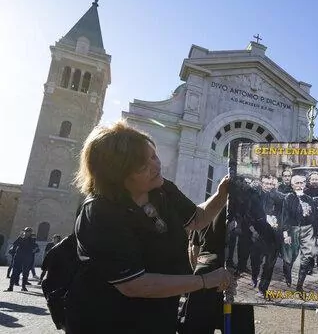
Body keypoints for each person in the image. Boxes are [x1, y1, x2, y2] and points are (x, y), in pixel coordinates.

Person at [64, 120, 232, 333]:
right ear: (117, 174)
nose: (156, 165)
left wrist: (221, 195)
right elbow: (135, 285)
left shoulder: (162, 189)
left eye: (154, 155)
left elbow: (198, 219)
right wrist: (204, 280)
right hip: (107, 320)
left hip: (158, 317)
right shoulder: (100, 212)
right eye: (143, 165)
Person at [4, 227, 39, 292]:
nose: (26, 233)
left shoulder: (32, 240)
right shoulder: (20, 238)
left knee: (25, 273)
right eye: (26, 231)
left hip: (26, 259)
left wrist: (34, 251)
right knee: (14, 273)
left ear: (30, 233)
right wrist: (13, 254)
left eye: (28, 232)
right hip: (18, 258)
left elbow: (36, 248)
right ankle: (10, 287)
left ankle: (23, 287)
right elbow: (14, 246)